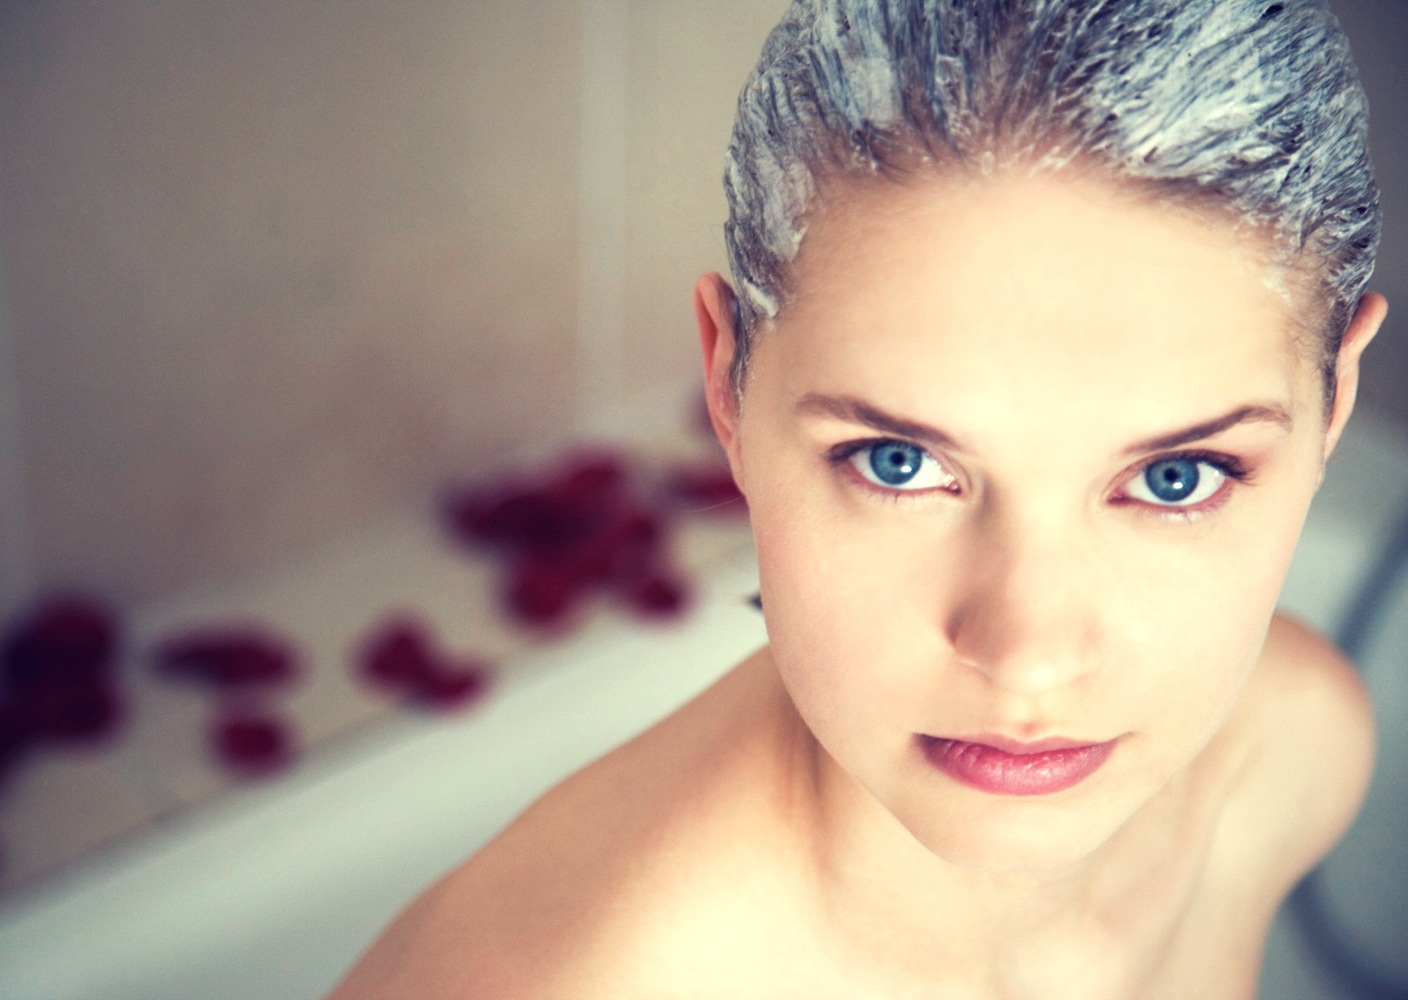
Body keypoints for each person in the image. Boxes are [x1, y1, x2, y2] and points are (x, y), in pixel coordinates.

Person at [326, 0, 1388, 995]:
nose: (1027, 659)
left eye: (1175, 478)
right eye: (896, 462)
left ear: (1334, 406)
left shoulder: (1289, 750)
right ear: (728, 388)